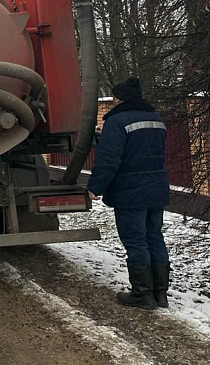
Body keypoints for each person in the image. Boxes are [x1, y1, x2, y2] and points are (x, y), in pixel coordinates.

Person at [87, 77, 170, 310]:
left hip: (131, 191)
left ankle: (142, 295)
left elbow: (109, 161)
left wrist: (95, 187)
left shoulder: (116, 121)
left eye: (114, 97)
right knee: (154, 237)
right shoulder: (156, 119)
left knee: (135, 242)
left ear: (119, 98)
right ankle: (160, 294)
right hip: (157, 188)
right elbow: (144, 151)